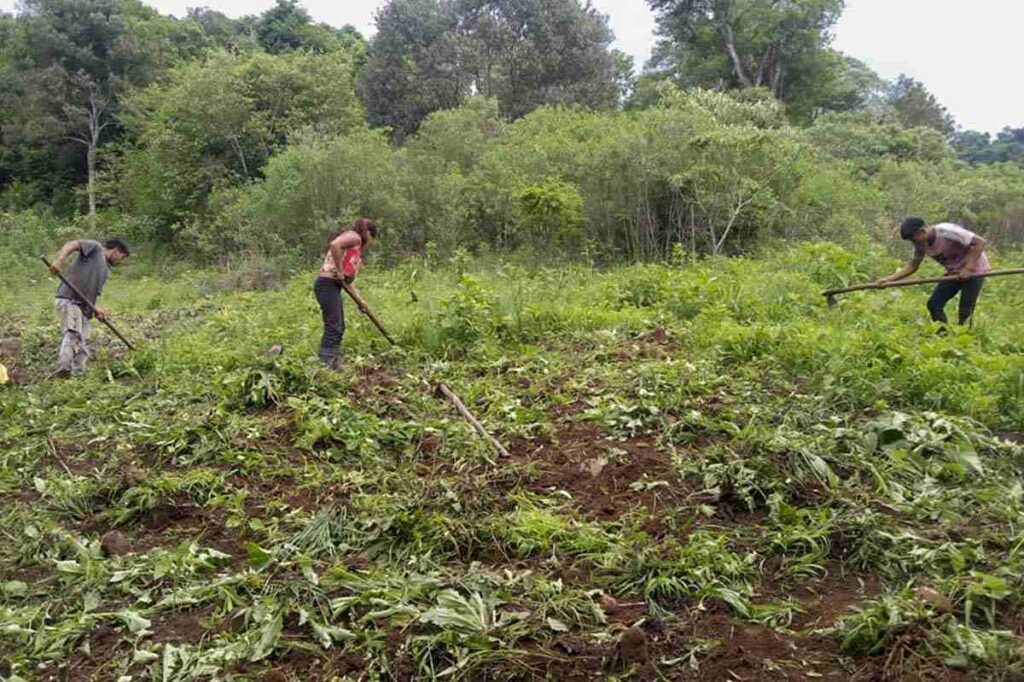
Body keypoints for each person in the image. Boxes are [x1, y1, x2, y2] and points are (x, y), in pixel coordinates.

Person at [876, 218, 990, 327]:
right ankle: (943, 335)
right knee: (934, 304)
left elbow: (979, 242)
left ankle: (964, 341)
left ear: (922, 231)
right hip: (953, 272)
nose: (914, 243)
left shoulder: (946, 231)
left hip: (975, 269)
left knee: (966, 309)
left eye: (913, 239)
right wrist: (889, 279)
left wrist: (968, 269)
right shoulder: (921, 245)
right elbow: (913, 265)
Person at [48, 238, 130, 377]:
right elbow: (72, 244)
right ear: (116, 251)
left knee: (84, 340)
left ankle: (79, 373)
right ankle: (64, 370)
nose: (120, 261)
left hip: (84, 307)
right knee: (73, 333)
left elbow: (92, 294)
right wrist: (59, 261)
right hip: (69, 299)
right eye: (121, 258)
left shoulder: (105, 270)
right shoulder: (95, 248)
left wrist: (97, 309)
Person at [314, 218, 378, 368]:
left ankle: (334, 363)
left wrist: (360, 301)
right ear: (367, 232)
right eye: (371, 237)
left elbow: (346, 283)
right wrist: (340, 270)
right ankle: (324, 365)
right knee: (334, 327)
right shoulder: (354, 237)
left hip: (333, 286)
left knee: (339, 327)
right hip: (326, 285)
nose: (369, 242)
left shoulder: (354, 250)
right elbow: (335, 245)